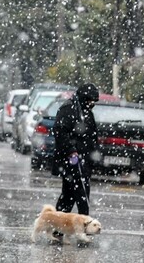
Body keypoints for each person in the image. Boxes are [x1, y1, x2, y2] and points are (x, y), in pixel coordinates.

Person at [52, 83, 99, 216]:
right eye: (91, 100)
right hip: (72, 160)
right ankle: (83, 223)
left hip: (83, 158)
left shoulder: (84, 110)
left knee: (70, 195)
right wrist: (71, 150)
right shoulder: (68, 109)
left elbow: (91, 134)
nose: (92, 103)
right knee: (80, 193)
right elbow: (60, 132)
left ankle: (59, 225)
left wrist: (94, 152)